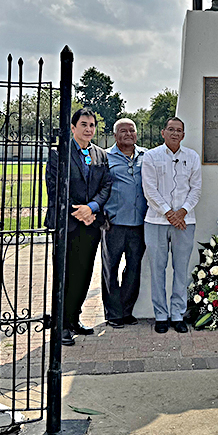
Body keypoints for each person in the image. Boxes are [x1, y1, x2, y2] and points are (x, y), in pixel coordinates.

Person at [45, 108, 112, 345]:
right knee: (66, 274)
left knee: (84, 274)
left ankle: (74, 319)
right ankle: (61, 324)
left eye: (92, 125)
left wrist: (92, 208)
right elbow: (56, 189)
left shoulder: (101, 155)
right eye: (83, 124)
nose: (88, 129)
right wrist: (79, 212)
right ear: (73, 128)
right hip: (67, 225)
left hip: (91, 224)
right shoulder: (58, 154)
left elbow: (106, 185)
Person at [141, 117, 203, 334]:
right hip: (156, 221)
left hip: (185, 222)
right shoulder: (151, 156)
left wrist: (182, 212)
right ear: (163, 132)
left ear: (183, 135)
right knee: (157, 269)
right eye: (171, 129)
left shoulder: (192, 157)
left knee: (181, 270)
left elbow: (195, 189)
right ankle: (161, 315)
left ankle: (177, 314)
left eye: (179, 130)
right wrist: (169, 213)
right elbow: (149, 189)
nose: (175, 133)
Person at [101, 118, 148, 328]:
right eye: (123, 131)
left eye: (131, 130)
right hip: (114, 223)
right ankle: (113, 313)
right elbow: (97, 188)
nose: (128, 134)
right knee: (110, 268)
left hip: (139, 223)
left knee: (133, 267)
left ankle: (126, 311)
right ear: (115, 135)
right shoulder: (105, 158)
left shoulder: (146, 156)